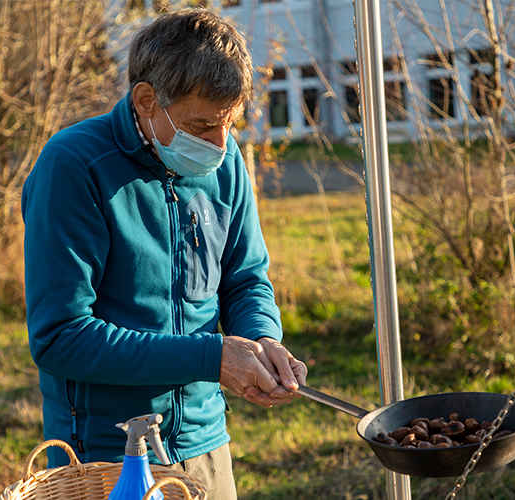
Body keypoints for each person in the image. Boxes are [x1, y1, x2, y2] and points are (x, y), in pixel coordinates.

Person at [21, 9, 307, 498]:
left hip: (205, 444)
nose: (221, 143)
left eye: (230, 123)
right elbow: (60, 336)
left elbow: (245, 279)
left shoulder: (226, 162)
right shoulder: (73, 167)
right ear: (147, 101)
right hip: (107, 454)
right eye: (202, 125)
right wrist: (211, 357)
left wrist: (262, 340)